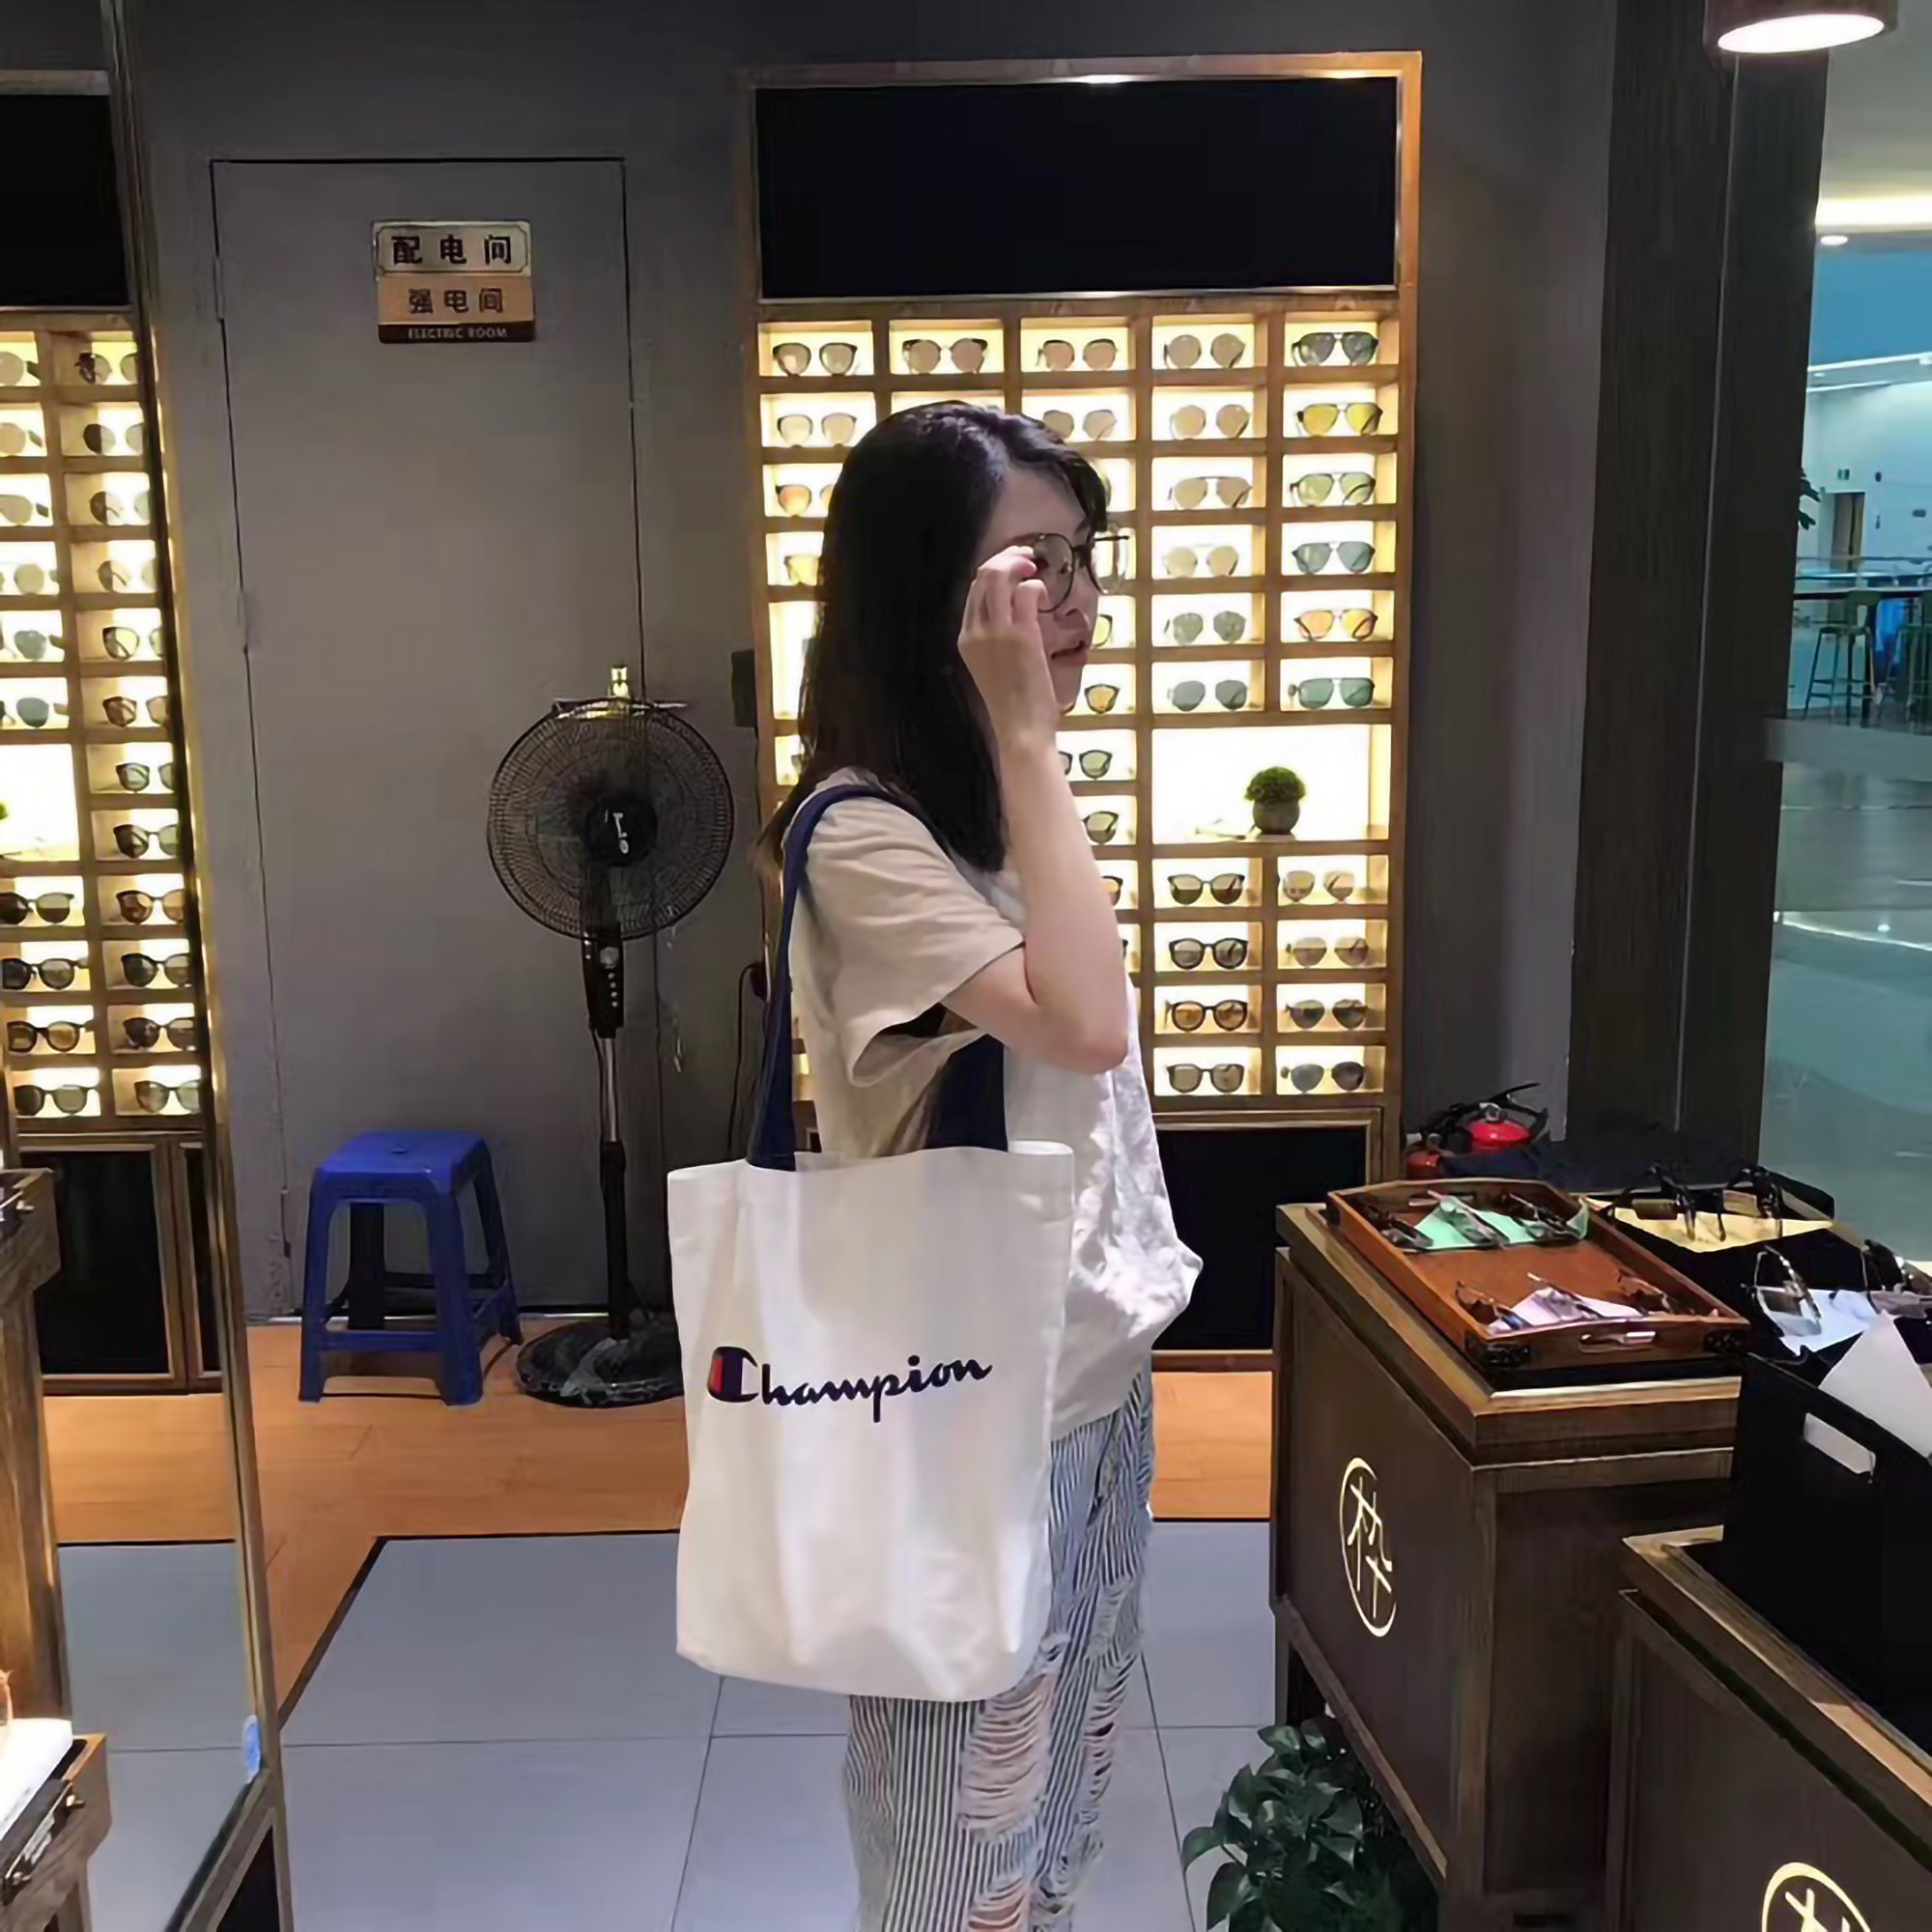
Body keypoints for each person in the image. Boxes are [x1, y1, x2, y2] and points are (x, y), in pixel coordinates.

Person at [760, 403, 1200, 1931]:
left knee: (1062, 1785)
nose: (1068, 608)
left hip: (1093, 1374)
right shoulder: (859, 838)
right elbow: (1086, 1023)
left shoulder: (1010, 813)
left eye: (1081, 562)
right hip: (960, 1408)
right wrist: (1025, 733)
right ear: (921, 595)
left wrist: (1026, 756)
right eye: (1029, 571)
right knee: (955, 1836)